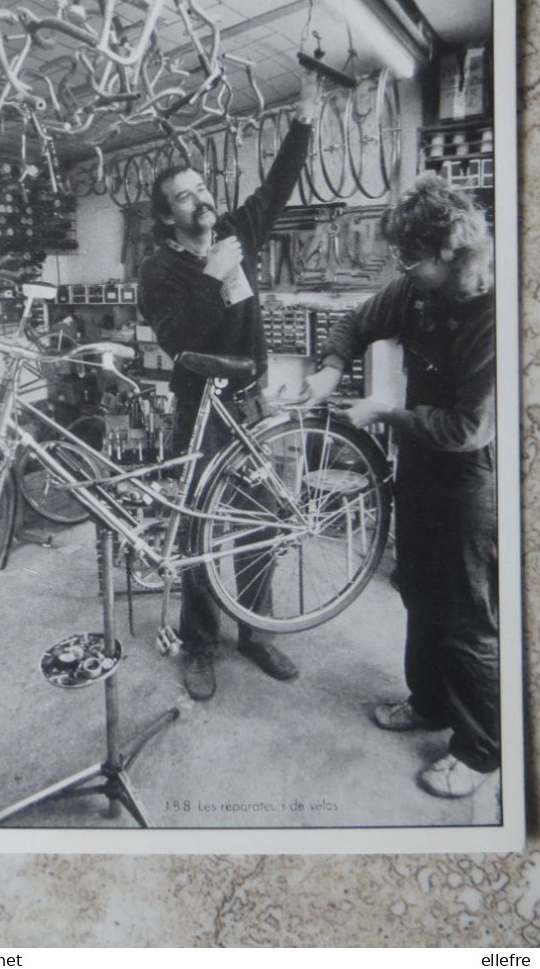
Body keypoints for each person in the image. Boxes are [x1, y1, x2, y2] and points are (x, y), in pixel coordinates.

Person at [304, 172, 499, 798]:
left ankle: (478, 753)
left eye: (411, 259)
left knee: (468, 615)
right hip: (419, 463)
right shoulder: (415, 289)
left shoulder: (496, 311)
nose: (403, 269)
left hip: (469, 478)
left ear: (448, 250)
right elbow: (358, 321)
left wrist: (387, 414)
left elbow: (469, 427)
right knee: (417, 588)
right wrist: (331, 370)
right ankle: (429, 702)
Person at [138, 68, 319, 700]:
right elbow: (177, 343)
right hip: (199, 409)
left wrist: (303, 118)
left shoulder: (236, 235)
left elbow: (276, 185)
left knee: (263, 516)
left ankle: (257, 630)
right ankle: (198, 642)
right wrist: (214, 279)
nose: (200, 199)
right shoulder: (157, 270)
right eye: (185, 197)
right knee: (196, 527)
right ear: (167, 216)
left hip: (252, 401)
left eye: (200, 188)